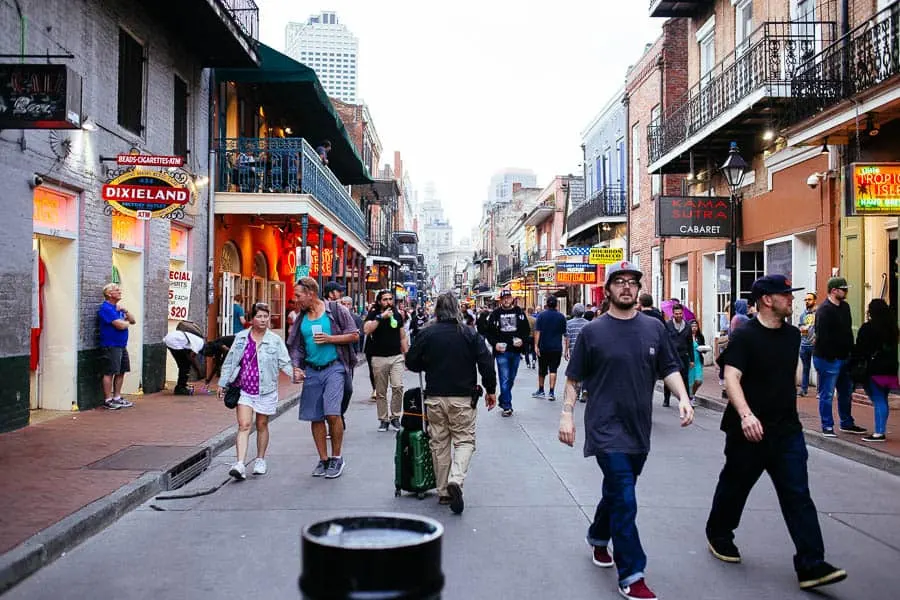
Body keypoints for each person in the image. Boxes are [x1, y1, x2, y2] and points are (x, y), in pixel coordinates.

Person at [559, 261, 694, 600]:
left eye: (632, 282)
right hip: (605, 428)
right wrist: (566, 415)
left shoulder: (654, 328)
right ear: (608, 291)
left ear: (638, 289)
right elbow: (574, 377)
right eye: (618, 282)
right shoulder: (592, 332)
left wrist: (684, 398)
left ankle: (597, 536)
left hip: (638, 429)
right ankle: (632, 573)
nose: (626, 287)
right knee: (625, 495)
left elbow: (669, 368)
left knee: (619, 492)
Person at [706, 275, 847, 591]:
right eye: (785, 294)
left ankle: (812, 564)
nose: (791, 299)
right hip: (749, 432)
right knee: (736, 486)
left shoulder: (793, 335)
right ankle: (719, 533)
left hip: (786, 431)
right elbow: (731, 377)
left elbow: (789, 371)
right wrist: (745, 416)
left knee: (797, 494)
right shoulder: (745, 337)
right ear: (767, 299)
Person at [406, 293, 497, 514]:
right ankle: (456, 479)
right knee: (464, 440)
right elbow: (486, 361)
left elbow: (411, 362)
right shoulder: (469, 334)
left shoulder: (427, 333)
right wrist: (491, 390)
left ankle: (444, 491)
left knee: (439, 443)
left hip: (435, 397)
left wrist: (427, 362)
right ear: (457, 309)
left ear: (437, 310)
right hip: (463, 397)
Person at [288, 278, 359, 479]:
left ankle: (337, 457)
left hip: (334, 367)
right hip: (312, 370)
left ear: (311, 293)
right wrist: (296, 367)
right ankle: (324, 459)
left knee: (332, 413)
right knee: (316, 416)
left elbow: (354, 335)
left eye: (298, 295)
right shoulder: (301, 318)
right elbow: (296, 347)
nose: (296, 300)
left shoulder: (336, 310)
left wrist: (330, 339)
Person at [218, 302, 293, 480]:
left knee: (261, 424)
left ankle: (260, 459)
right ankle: (240, 464)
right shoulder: (242, 338)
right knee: (244, 425)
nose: (263, 320)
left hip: (266, 389)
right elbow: (230, 361)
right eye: (259, 316)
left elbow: (285, 361)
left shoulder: (274, 340)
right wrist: (222, 382)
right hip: (244, 390)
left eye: (265, 316)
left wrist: (295, 375)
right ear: (251, 319)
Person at [813, 277, 866, 437]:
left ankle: (846, 422)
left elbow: (848, 332)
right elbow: (822, 337)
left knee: (846, 392)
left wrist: (851, 353)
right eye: (844, 289)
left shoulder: (845, 307)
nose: (846, 292)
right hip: (828, 359)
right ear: (834, 290)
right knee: (827, 393)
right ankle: (827, 425)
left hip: (844, 357)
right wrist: (831, 357)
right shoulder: (824, 310)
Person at [364, 290, 409, 432]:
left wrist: (407, 354)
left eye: (390, 299)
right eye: (385, 299)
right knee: (381, 391)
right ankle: (383, 419)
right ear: (379, 301)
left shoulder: (397, 314)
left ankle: (395, 417)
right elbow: (366, 329)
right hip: (378, 357)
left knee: (398, 386)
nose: (388, 302)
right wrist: (380, 317)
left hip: (396, 356)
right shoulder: (373, 314)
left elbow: (402, 336)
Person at [854, 298, 898, 443]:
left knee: (878, 399)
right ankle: (881, 429)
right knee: (883, 398)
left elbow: (860, 348)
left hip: (875, 369)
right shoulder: (892, 328)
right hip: (891, 369)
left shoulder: (868, 328)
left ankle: (879, 432)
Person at [484, 289, 530, 417]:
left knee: (511, 378)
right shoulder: (495, 314)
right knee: (504, 379)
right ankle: (507, 406)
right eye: (504, 298)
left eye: (508, 297)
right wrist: (495, 344)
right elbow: (488, 332)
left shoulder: (519, 312)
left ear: (512, 299)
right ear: (500, 300)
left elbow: (526, 330)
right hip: (501, 352)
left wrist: (522, 340)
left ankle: (503, 398)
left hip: (515, 351)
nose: (506, 300)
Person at [98, 283, 136, 410]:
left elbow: (133, 320)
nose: (119, 291)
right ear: (109, 294)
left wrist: (125, 311)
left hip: (121, 345)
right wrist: (125, 323)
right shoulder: (106, 308)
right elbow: (120, 325)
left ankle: (117, 397)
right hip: (110, 345)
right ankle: (108, 399)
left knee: (121, 371)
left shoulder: (117, 309)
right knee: (109, 372)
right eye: (116, 290)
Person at [533, 296, 567, 401]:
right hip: (556, 347)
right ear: (556, 304)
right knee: (553, 370)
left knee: (542, 370)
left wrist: (536, 345)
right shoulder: (561, 317)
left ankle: (541, 390)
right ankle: (551, 392)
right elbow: (564, 334)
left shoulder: (541, 316)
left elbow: (537, 332)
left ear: (547, 304)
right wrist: (566, 349)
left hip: (544, 346)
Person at [663, 304, 693, 408]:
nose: (678, 315)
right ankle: (666, 399)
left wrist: (692, 359)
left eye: (680, 313)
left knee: (685, 378)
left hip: (683, 355)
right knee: (669, 377)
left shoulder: (688, 326)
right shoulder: (668, 325)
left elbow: (690, 343)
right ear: (673, 314)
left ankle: (686, 399)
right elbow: (665, 341)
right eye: (676, 314)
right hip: (671, 355)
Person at [163, 328, 206, 395]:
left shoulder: (198, 342)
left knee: (183, 365)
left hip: (171, 339)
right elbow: (191, 358)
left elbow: (189, 354)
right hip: (174, 341)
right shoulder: (200, 344)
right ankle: (180, 388)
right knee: (185, 365)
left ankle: (181, 385)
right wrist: (198, 370)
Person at [797, 292, 817, 397]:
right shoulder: (803, 315)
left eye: (809, 299)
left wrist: (816, 338)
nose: (807, 301)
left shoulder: (818, 314)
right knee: (805, 368)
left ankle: (819, 391)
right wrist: (802, 329)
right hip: (804, 345)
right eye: (806, 299)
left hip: (815, 345)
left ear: (814, 301)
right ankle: (804, 390)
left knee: (818, 368)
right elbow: (801, 327)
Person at [688, 320, 707, 405]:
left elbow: (703, 347)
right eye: (692, 326)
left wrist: (704, 349)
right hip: (689, 361)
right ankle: (690, 397)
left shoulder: (700, 337)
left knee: (699, 381)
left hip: (698, 360)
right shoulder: (687, 336)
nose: (694, 328)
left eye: (696, 326)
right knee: (690, 380)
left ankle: (692, 394)